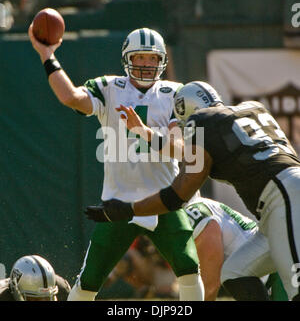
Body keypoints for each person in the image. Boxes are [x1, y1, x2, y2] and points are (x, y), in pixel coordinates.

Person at [28, 25, 204, 301]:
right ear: (127, 59)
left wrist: (144, 132)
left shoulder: (173, 93)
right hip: (119, 201)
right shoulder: (109, 88)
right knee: (89, 280)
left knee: (189, 269)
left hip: (163, 200)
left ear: (162, 62)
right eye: (140, 58)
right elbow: (70, 97)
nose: (146, 64)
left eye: (152, 58)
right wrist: (47, 54)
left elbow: (181, 150)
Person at [86, 81, 300, 301]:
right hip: (279, 202)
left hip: (283, 196)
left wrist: (130, 209)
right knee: (236, 273)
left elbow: (178, 194)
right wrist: (147, 133)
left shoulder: (202, 121)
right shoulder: (252, 109)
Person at [182, 197, 288, 301]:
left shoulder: (193, 215)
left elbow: (210, 286)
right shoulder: (198, 206)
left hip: (275, 272)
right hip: (269, 266)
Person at [0, 255, 71, 301]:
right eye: (35, 300)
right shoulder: (3, 297)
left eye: (46, 299)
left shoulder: (62, 291)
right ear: (14, 290)